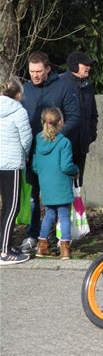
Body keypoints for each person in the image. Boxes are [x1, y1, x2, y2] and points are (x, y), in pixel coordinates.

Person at [20, 51, 80, 254]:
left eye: (38, 71)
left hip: (56, 156)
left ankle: (59, 240)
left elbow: (74, 117)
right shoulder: (26, 90)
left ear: (47, 69)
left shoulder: (63, 88)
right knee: (34, 197)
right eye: (31, 71)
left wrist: (53, 135)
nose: (35, 75)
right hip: (33, 154)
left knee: (59, 202)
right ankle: (34, 236)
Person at [32, 108, 79, 259]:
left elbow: (35, 165)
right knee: (64, 215)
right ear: (60, 122)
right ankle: (65, 248)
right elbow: (66, 166)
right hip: (61, 184)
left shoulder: (38, 139)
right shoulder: (64, 142)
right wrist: (75, 170)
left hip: (46, 185)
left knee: (49, 214)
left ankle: (41, 246)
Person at [0, 77, 32, 265]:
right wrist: (24, 156)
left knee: (5, 207)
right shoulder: (19, 111)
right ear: (18, 94)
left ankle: (5, 244)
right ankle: (4, 252)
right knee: (12, 207)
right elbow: (26, 140)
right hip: (12, 164)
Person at [60, 51, 99, 186]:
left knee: (77, 185)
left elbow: (93, 114)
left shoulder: (87, 85)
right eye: (85, 64)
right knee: (63, 184)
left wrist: (91, 135)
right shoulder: (60, 83)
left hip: (81, 145)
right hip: (64, 144)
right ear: (75, 65)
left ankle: (76, 208)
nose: (89, 67)